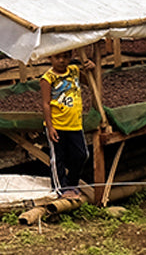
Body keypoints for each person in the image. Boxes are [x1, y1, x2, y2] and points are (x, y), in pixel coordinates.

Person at [40, 50, 96, 198]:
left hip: (75, 124)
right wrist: (50, 127)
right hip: (57, 125)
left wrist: (91, 69)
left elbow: (90, 81)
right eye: (57, 57)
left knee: (81, 154)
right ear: (50, 57)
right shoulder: (47, 78)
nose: (61, 61)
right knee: (58, 157)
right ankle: (60, 188)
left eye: (65, 57)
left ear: (70, 57)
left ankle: (72, 183)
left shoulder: (74, 71)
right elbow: (46, 104)